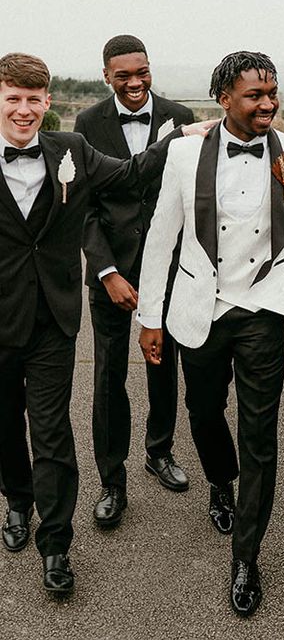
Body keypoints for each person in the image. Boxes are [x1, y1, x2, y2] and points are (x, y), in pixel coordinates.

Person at [0, 52, 205, 594]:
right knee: (4, 425)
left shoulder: (72, 149)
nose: (24, 110)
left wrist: (183, 139)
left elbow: (134, 174)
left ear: (48, 103)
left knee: (51, 431)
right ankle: (17, 502)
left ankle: (56, 543)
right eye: (12, 100)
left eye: (33, 100)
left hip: (53, 320)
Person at [137, 51, 284, 617]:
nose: (267, 105)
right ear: (224, 99)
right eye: (253, 95)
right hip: (200, 306)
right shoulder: (185, 153)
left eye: (272, 93)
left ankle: (247, 554)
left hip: (263, 308)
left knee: (260, 433)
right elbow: (161, 234)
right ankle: (221, 480)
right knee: (204, 412)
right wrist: (150, 316)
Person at [75, 35, 195, 527]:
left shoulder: (181, 118)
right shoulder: (85, 125)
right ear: (106, 75)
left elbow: (193, 195)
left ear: (150, 68)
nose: (135, 82)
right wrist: (107, 273)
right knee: (109, 375)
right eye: (123, 75)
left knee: (163, 363)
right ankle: (111, 480)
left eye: (141, 71)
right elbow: (82, 210)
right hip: (111, 273)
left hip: (167, 269)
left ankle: (159, 450)